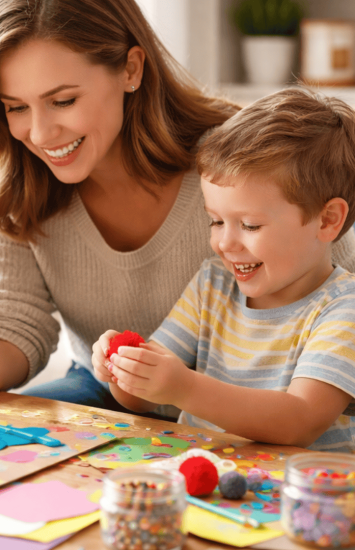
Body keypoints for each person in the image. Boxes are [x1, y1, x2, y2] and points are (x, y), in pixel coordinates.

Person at [0, 0, 355, 426]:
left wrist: (186, 390)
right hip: (109, 392)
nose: (41, 133)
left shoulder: (237, 163)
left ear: (131, 69)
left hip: (263, 397)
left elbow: (331, 284)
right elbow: (12, 323)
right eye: (16, 107)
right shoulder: (16, 183)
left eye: (63, 100)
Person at [92, 88, 355, 452]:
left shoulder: (343, 308)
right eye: (216, 221)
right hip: (205, 479)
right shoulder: (212, 284)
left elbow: (299, 422)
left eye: (249, 225)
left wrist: (183, 387)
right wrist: (124, 370)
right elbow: (143, 397)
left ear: (327, 220)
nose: (224, 244)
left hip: (300, 498)